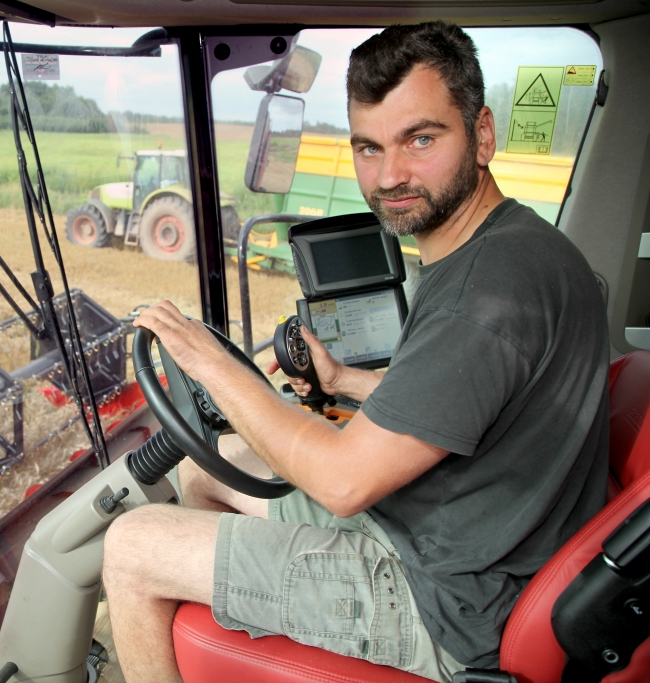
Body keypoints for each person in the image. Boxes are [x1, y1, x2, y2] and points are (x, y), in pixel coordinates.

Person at [101, 21, 610, 683]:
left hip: (447, 597)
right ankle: (231, 617)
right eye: (368, 147)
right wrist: (341, 378)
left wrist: (212, 363)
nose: (390, 174)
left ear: (482, 134)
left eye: (420, 139)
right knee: (211, 466)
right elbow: (471, 407)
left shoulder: (486, 295)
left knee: (132, 545)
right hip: (448, 526)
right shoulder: (508, 248)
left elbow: (344, 482)